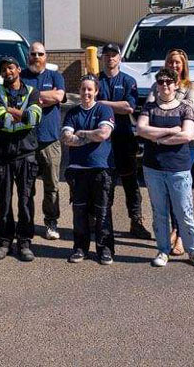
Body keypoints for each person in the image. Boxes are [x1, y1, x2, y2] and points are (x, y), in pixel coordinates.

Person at [136, 67, 194, 269]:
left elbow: (188, 135)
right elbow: (141, 129)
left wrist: (157, 139)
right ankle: (163, 250)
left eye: (169, 82)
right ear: (157, 86)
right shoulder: (149, 108)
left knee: (184, 212)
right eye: (161, 82)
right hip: (153, 168)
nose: (165, 85)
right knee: (159, 212)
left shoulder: (185, 108)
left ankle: (193, 251)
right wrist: (171, 130)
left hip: (179, 169)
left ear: (176, 85)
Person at [145, 48, 194, 256]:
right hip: (162, 145)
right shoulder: (156, 85)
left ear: (183, 65)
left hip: (182, 148)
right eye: (170, 62)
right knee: (163, 195)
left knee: (180, 196)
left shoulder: (192, 86)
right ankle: (171, 233)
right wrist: (170, 129)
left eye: (177, 62)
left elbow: (187, 106)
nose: (174, 65)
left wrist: (159, 129)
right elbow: (150, 107)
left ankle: (180, 235)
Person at [0, 56, 43, 262]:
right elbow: (0, 121)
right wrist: (21, 115)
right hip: (2, 155)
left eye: (11, 67)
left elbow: (34, 118)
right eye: (3, 69)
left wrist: (13, 113)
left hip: (26, 154)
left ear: (18, 69)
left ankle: (25, 242)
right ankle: (4, 242)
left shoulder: (32, 92)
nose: (7, 72)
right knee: (3, 200)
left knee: (26, 200)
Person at [97, 43, 152, 240]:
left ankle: (136, 222)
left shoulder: (128, 81)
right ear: (102, 58)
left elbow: (129, 107)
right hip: (102, 142)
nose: (110, 58)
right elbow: (88, 104)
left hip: (124, 139)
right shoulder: (96, 81)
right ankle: (103, 224)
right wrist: (114, 106)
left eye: (114, 55)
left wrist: (101, 104)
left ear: (119, 58)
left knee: (130, 183)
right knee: (105, 183)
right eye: (107, 55)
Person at [61, 75, 116, 265]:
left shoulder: (104, 109)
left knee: (103, 212)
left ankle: (105, 249)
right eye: (83, 89)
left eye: (90, 89)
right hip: (77, 170)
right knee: (79, 212)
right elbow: (66, 138)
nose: (86, 92)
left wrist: (82, 134)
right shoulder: (73, 113)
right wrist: (91, 137)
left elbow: (104, 133)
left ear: (96, 91)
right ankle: (80, 248)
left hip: (101, 168)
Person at [21, 42, 66, 240]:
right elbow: (19, 101)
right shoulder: (21, 76)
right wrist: (42, 98)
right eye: (33, 54)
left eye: (40, 54)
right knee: (26, 186)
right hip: (26, 140)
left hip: (50, 141)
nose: (36, 57)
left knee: (52, 186)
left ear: (46, 57)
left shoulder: (55, 76)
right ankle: (27, 224)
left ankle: (51, 222)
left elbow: (59, 96)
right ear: (28, 56)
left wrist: (32, 97)